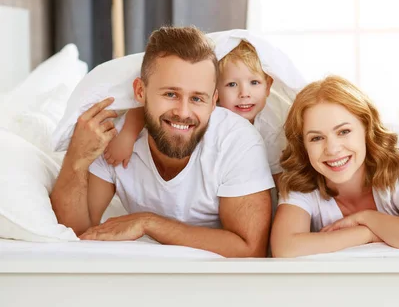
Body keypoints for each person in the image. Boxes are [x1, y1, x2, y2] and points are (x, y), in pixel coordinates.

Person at [50, 26, 274, 258]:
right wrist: (76, 158)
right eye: (170, 94)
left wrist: (149, 223)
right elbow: (77, 233)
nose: (183, 112)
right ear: (140, 91)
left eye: (197, 98)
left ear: (213, 101)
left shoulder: (236, 140)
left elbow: (250, 250)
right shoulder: (114, 137)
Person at [269, 76, 399, 257]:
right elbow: (285, 248)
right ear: (303, 146)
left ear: (367, 129)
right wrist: (367, 233)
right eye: (316, 138)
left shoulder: (398, 167)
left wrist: (367, 218)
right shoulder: (302, 180)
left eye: (344, 132)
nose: (332, 149)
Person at [103, 30, 304, 188]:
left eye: (254, 83)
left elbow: (278, 179)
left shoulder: (272, 130)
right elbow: (145, 109)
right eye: (232, 85)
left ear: (268, 86)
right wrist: (127, 135)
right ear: (214, 92)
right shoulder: (202, 109)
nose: (245, 93)